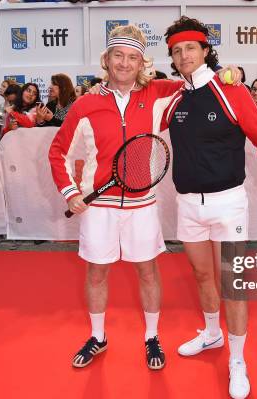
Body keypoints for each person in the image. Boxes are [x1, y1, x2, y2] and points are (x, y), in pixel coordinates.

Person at [162, 16, 257, 399]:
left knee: (233, 284)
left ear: (205, 50)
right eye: (176, 50)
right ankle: (211, 334)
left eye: (190, 47)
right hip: (187, 204)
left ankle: (238, 360)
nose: (184, 54)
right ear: (172, 58)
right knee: (202, 276)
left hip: (228, 204)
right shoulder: (172, 97)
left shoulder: (232, 91)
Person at [48, 24, 186, 373]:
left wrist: (226, 76)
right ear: (106, 59)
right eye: (118, 56)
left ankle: (152, 336)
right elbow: (57, 151)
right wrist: (70, 192)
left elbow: (196, 82)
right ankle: (98, 336)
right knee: (96, 274)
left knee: (148, 272)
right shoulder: (85, 103)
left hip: (142, 204)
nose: (125, 63)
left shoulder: (158, 93)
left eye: (133, 57)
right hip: (99, 206)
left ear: (143, 63)